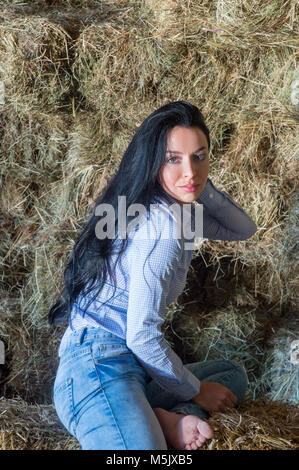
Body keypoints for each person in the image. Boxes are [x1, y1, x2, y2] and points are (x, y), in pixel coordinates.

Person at [48, 101, 257, 450]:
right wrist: (196, 392)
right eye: (173, 158)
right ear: (153, 160)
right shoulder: (162, 227)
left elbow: (243, 228)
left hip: (136, 365)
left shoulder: (174, 207)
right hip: (97, 368)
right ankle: (154, 420)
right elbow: (142, 336)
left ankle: (155, 415)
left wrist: (194, 182)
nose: (190, 169)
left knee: (231, 375)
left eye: (199, 156)